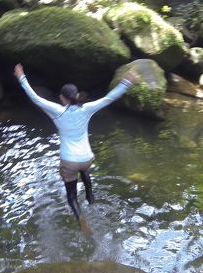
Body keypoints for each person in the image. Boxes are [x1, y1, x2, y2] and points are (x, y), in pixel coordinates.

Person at [13, 63, 137, 233]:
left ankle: (80, 219)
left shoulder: (56, 110)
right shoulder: (87, 109)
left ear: (62, 98)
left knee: (71, 197)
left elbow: (34, 97)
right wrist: (126, 83)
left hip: (69, 161)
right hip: (87, 159)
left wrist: (21, 77)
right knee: (83, 169)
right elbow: (109, 98)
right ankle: (90, 195)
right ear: (77, 96)